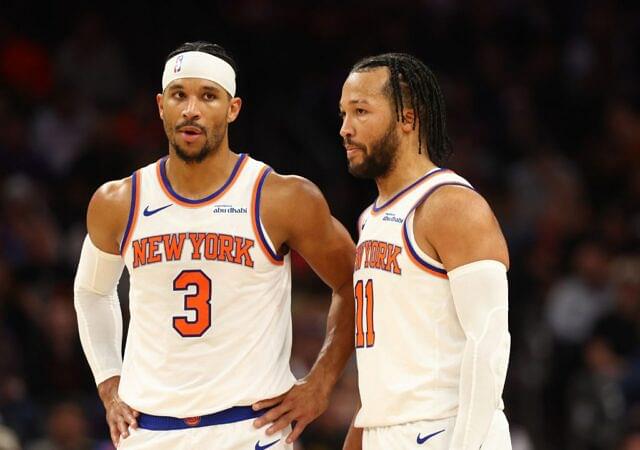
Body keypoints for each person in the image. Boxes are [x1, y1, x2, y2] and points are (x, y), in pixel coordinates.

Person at [73, 41, 355, 450]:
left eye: (208, 96)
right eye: (179, 95)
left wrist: (320, 384)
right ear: (160, 105)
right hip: (149, 430)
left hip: (251, 429)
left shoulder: (281, 197)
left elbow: (354, 283)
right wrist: (108, 383)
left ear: (233, 108)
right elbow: (91, 292)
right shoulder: (118, 201)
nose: (191, 109)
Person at [338, 53, 512, 449]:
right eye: (343, 114)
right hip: (389, 432)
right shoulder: (370, 219)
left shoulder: (451, 206)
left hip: (445, 430)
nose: (346, 129)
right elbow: (389, 358)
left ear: (408, 120)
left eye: (361, 111)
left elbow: (489, 343)